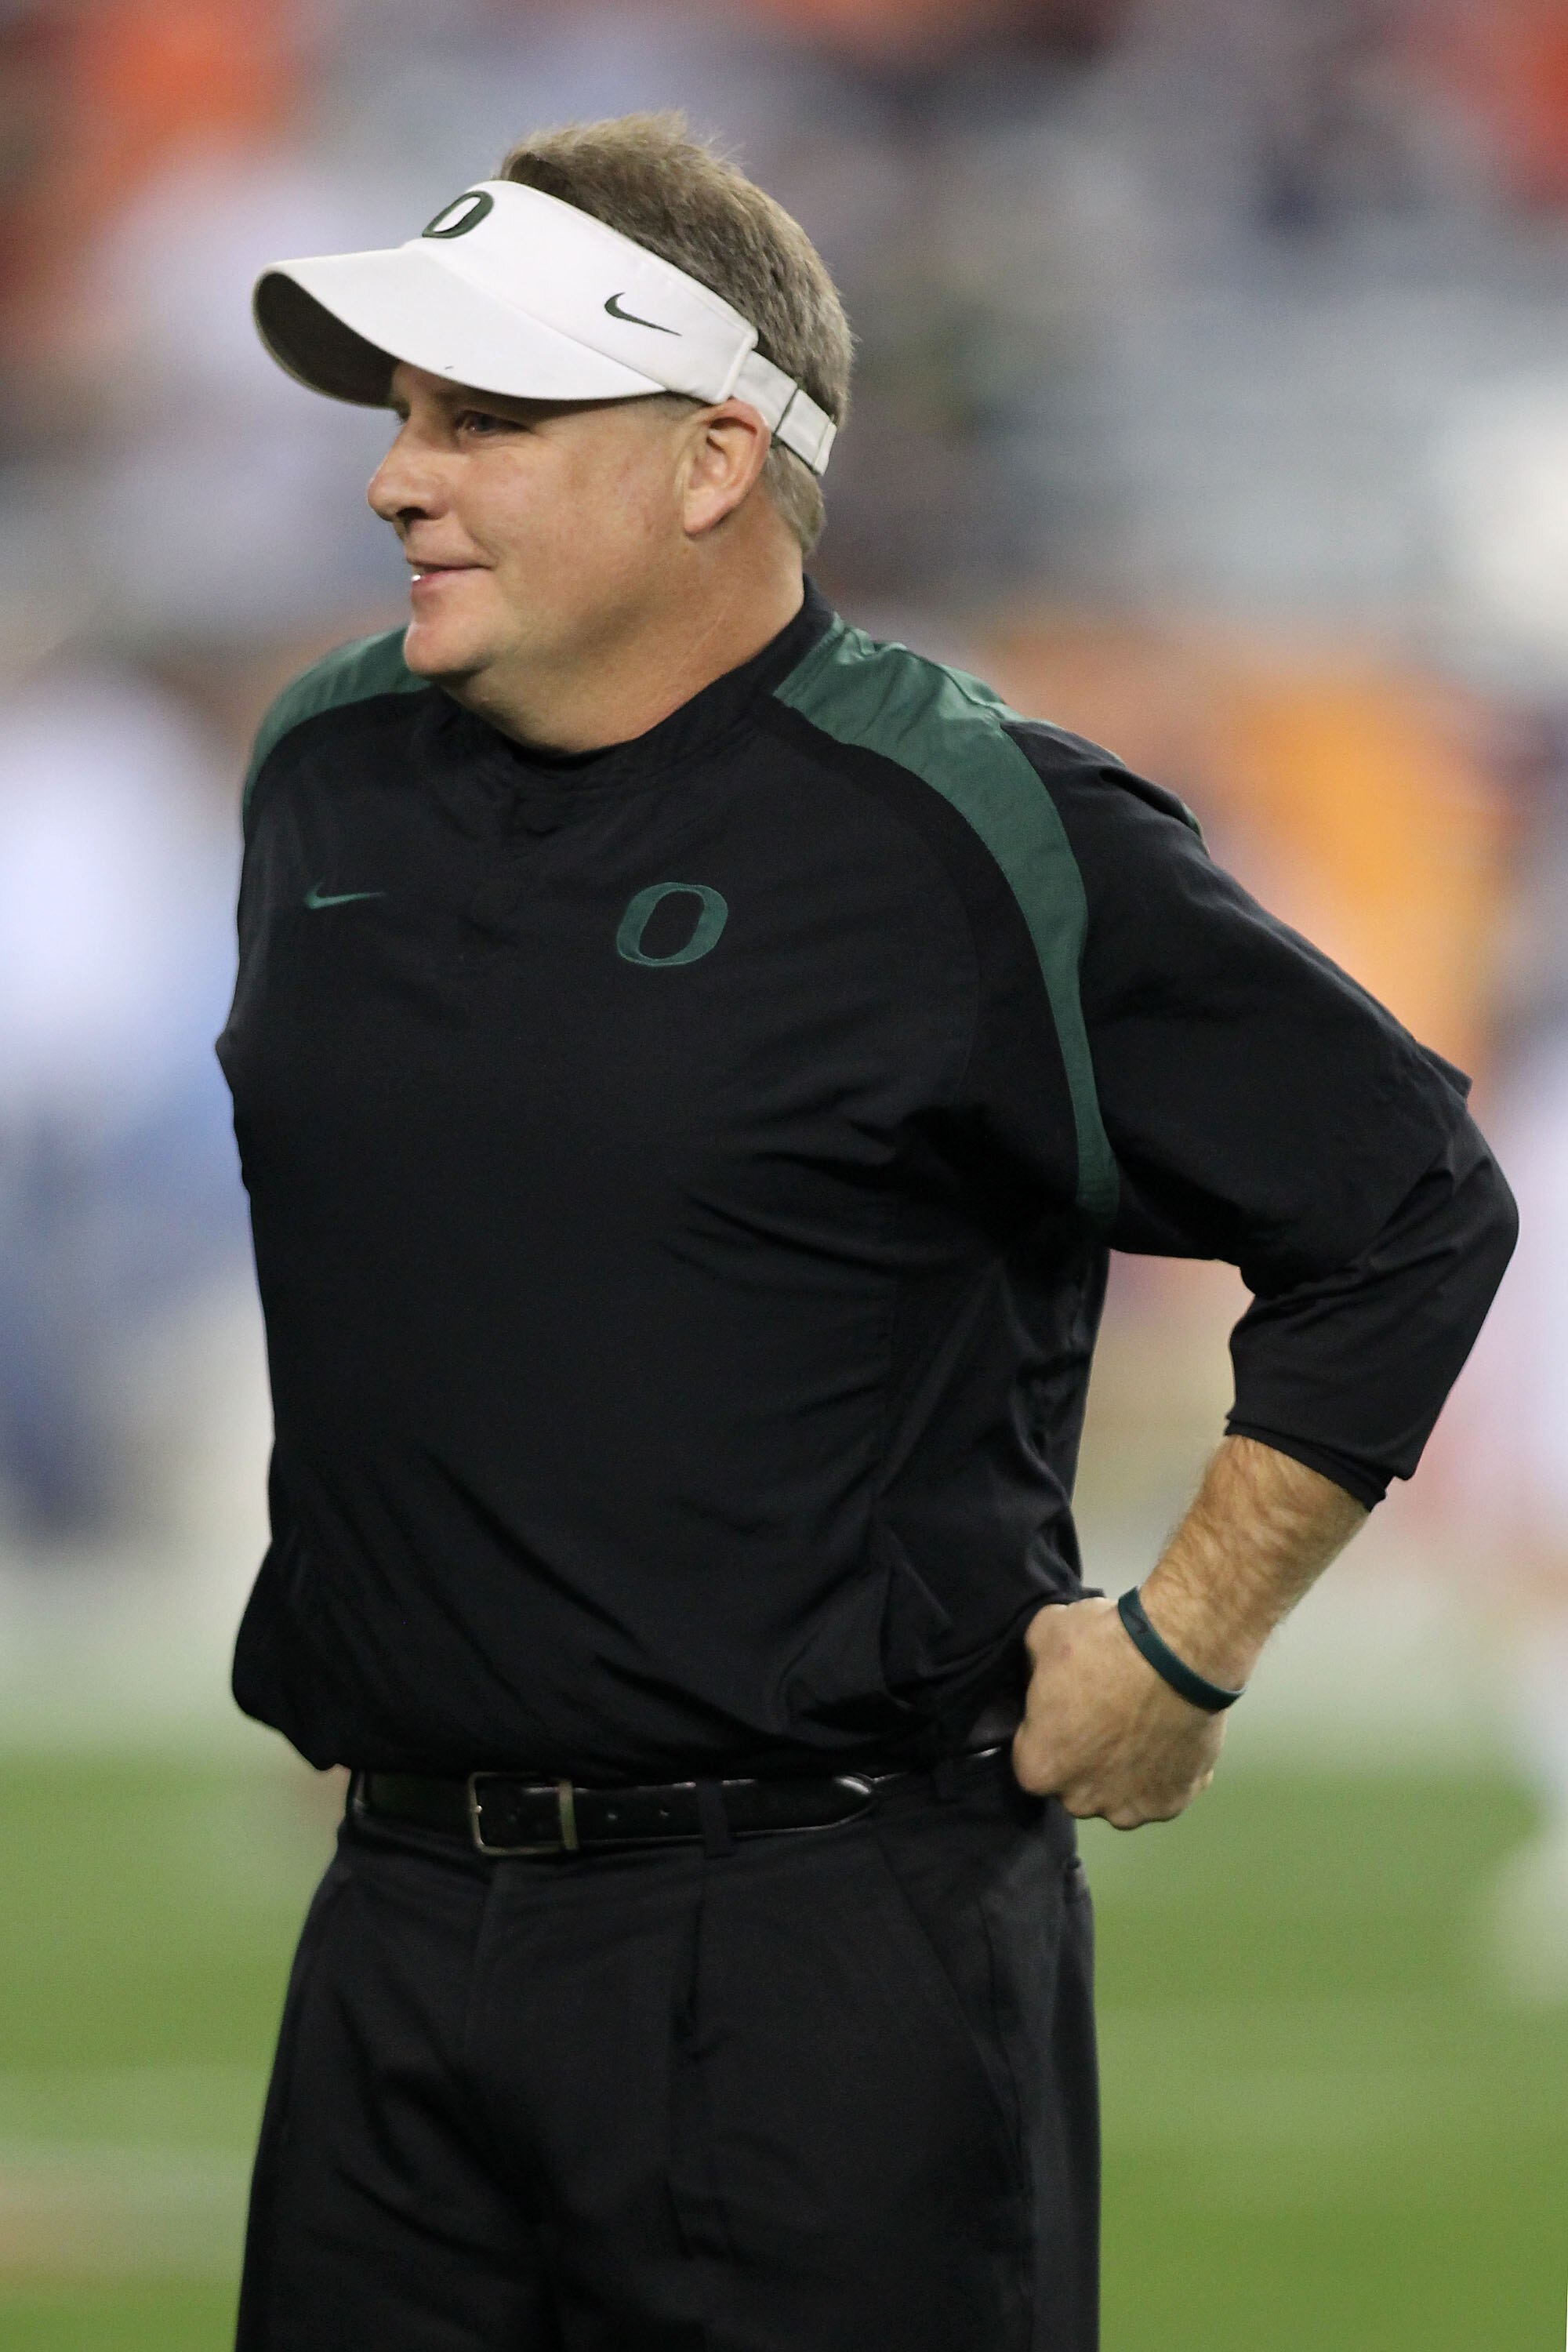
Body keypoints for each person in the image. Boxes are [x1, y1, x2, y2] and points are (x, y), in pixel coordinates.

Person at [223, 111, 1516, 2352]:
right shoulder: (322, 771)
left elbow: (1405, 1204)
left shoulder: (966, 825)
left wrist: (1185, 1642)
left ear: (714, 459)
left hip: (824, 1948)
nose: (395, 479)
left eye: (486, 421)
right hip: (394, 1939)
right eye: (404, 417)